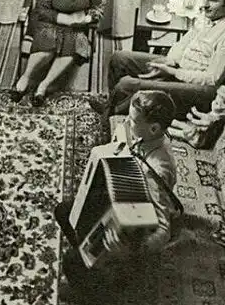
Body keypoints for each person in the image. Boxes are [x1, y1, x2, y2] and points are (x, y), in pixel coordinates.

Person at [55, 90, 179, 302]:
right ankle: (88, 257)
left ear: (154, 128)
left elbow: (163, 230)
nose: (127, 123)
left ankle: (97, 288)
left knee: (71, 261)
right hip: (118, 204)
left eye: (133, 121)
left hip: (133, 232)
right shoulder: (144, 136)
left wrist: (131, 250)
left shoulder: (158, 169)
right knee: (65, 211)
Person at [91, 0, 225, 119]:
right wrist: (170, 62)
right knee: (119, 59)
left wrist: (173, 72)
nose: (205, 5)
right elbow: (184, 43)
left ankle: (114, 116)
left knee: (127, 85)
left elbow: (212, 79)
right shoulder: (211, 16)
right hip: (179, 68)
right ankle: (112, 105)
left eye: (212, 0)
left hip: (198, 89)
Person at [11, 0, 105, 107]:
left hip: (76, 27)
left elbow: (99, 6)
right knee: (48, 42)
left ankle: (43, 86)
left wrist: (88, 18)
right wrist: (65, 18)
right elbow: (41, 8)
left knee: (74, 44)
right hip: (50, 21)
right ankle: (25, 77)